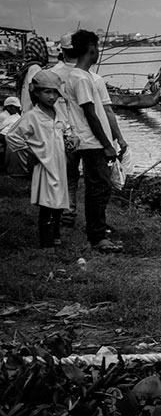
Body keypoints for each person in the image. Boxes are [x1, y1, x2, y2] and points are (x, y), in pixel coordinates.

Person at [49, 30, 126, 252]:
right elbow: (91, 114)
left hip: (89, 141)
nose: (98, 53)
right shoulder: (81, 78)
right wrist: (107, 144)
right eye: (97, 48)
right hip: (92, 142)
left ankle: (97, 233)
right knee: (99, 188)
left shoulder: (79, 76)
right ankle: (98, 237)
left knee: (98, 187)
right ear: (91, 49)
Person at [6, 70, 74, 247]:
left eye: (55, 92)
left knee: (59, 202)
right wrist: (30, 151)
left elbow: (67, 129)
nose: (52, 97)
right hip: (44, 164)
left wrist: (71, 138)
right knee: (48, 205)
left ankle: (56, 235)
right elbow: (12, 136)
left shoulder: (58, 113)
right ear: (36, 92)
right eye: (47, 92)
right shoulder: (32, 116)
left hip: (59, 164)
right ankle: (46, 242)